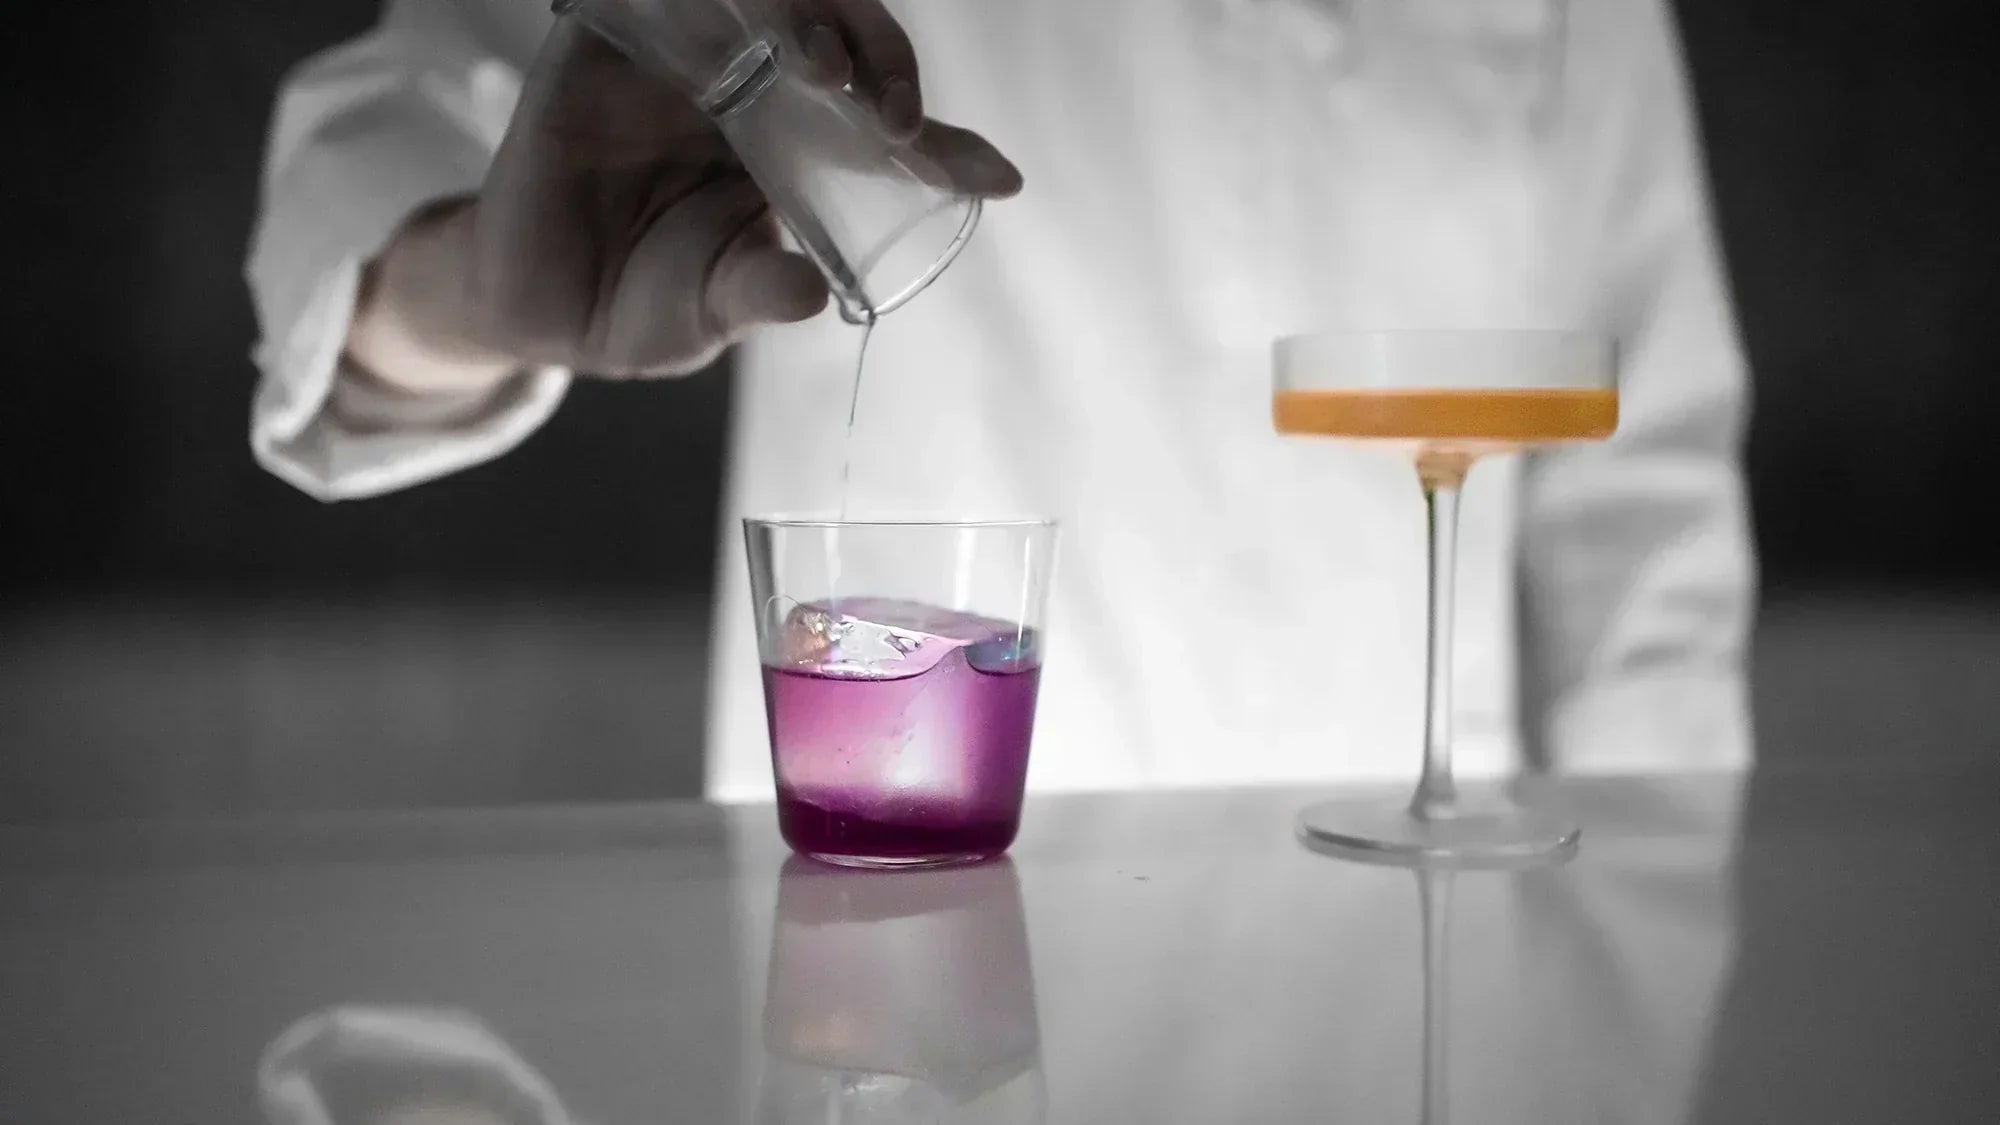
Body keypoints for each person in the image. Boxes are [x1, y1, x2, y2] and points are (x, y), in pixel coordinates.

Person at [247, 0, 1755, 801]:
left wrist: (1641, 940)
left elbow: (1643, 500)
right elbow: (371, 174)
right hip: (900, 949)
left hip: (1428, 965)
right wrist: (471, 288)